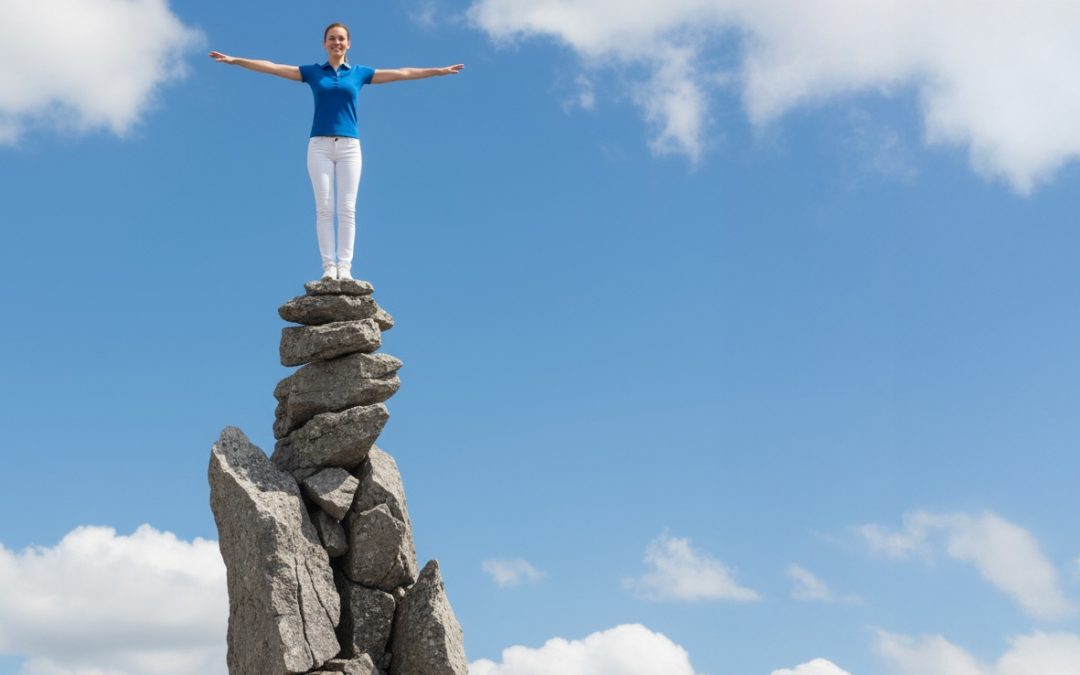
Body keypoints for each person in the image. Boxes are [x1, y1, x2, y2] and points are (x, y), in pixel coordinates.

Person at [210, 23, 463, 280]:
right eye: (332, 39)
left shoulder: (359, 73)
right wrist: (236, 60)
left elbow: (402, 72)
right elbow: (274, 67)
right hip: (319, 145)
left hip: (350, 147)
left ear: (348, 43)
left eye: (341, 39)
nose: (337, 43)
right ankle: (329, 267)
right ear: (324, 43)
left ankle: (345, 267)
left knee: (347, 208)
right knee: (324, 208)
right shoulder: (313, 73)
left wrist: (438, 71)